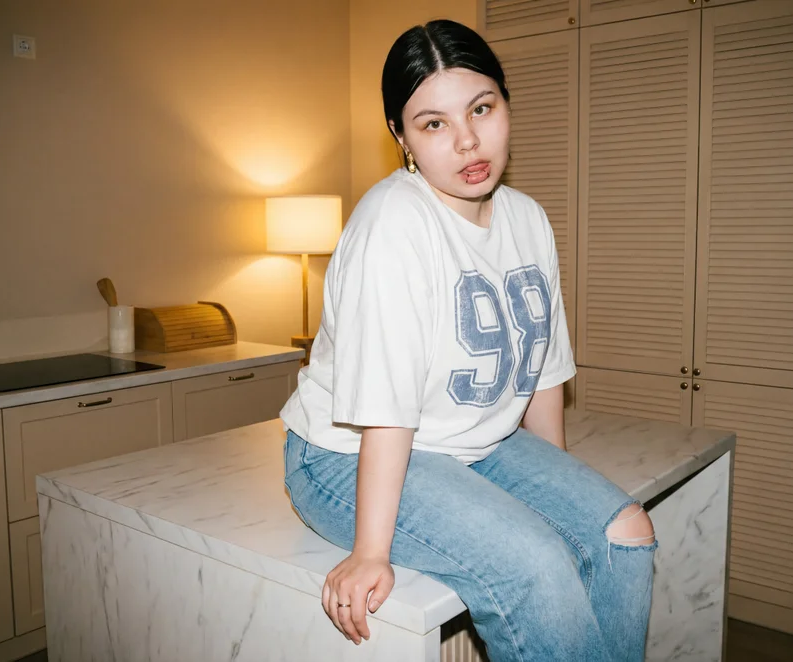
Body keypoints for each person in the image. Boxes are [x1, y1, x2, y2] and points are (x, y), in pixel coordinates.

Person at [280, 18, 657, 662]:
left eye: (481, 108)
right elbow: (386, 407)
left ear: (506, 104)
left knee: (625, 532)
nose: (467, 141)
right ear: (400, 136)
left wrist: (555, 490)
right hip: (346, 453)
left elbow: (543, 372)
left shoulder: (527, 218)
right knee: (535, 567)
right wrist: (371, 551)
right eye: (433, 123)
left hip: (475, 444)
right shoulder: (394, 223)